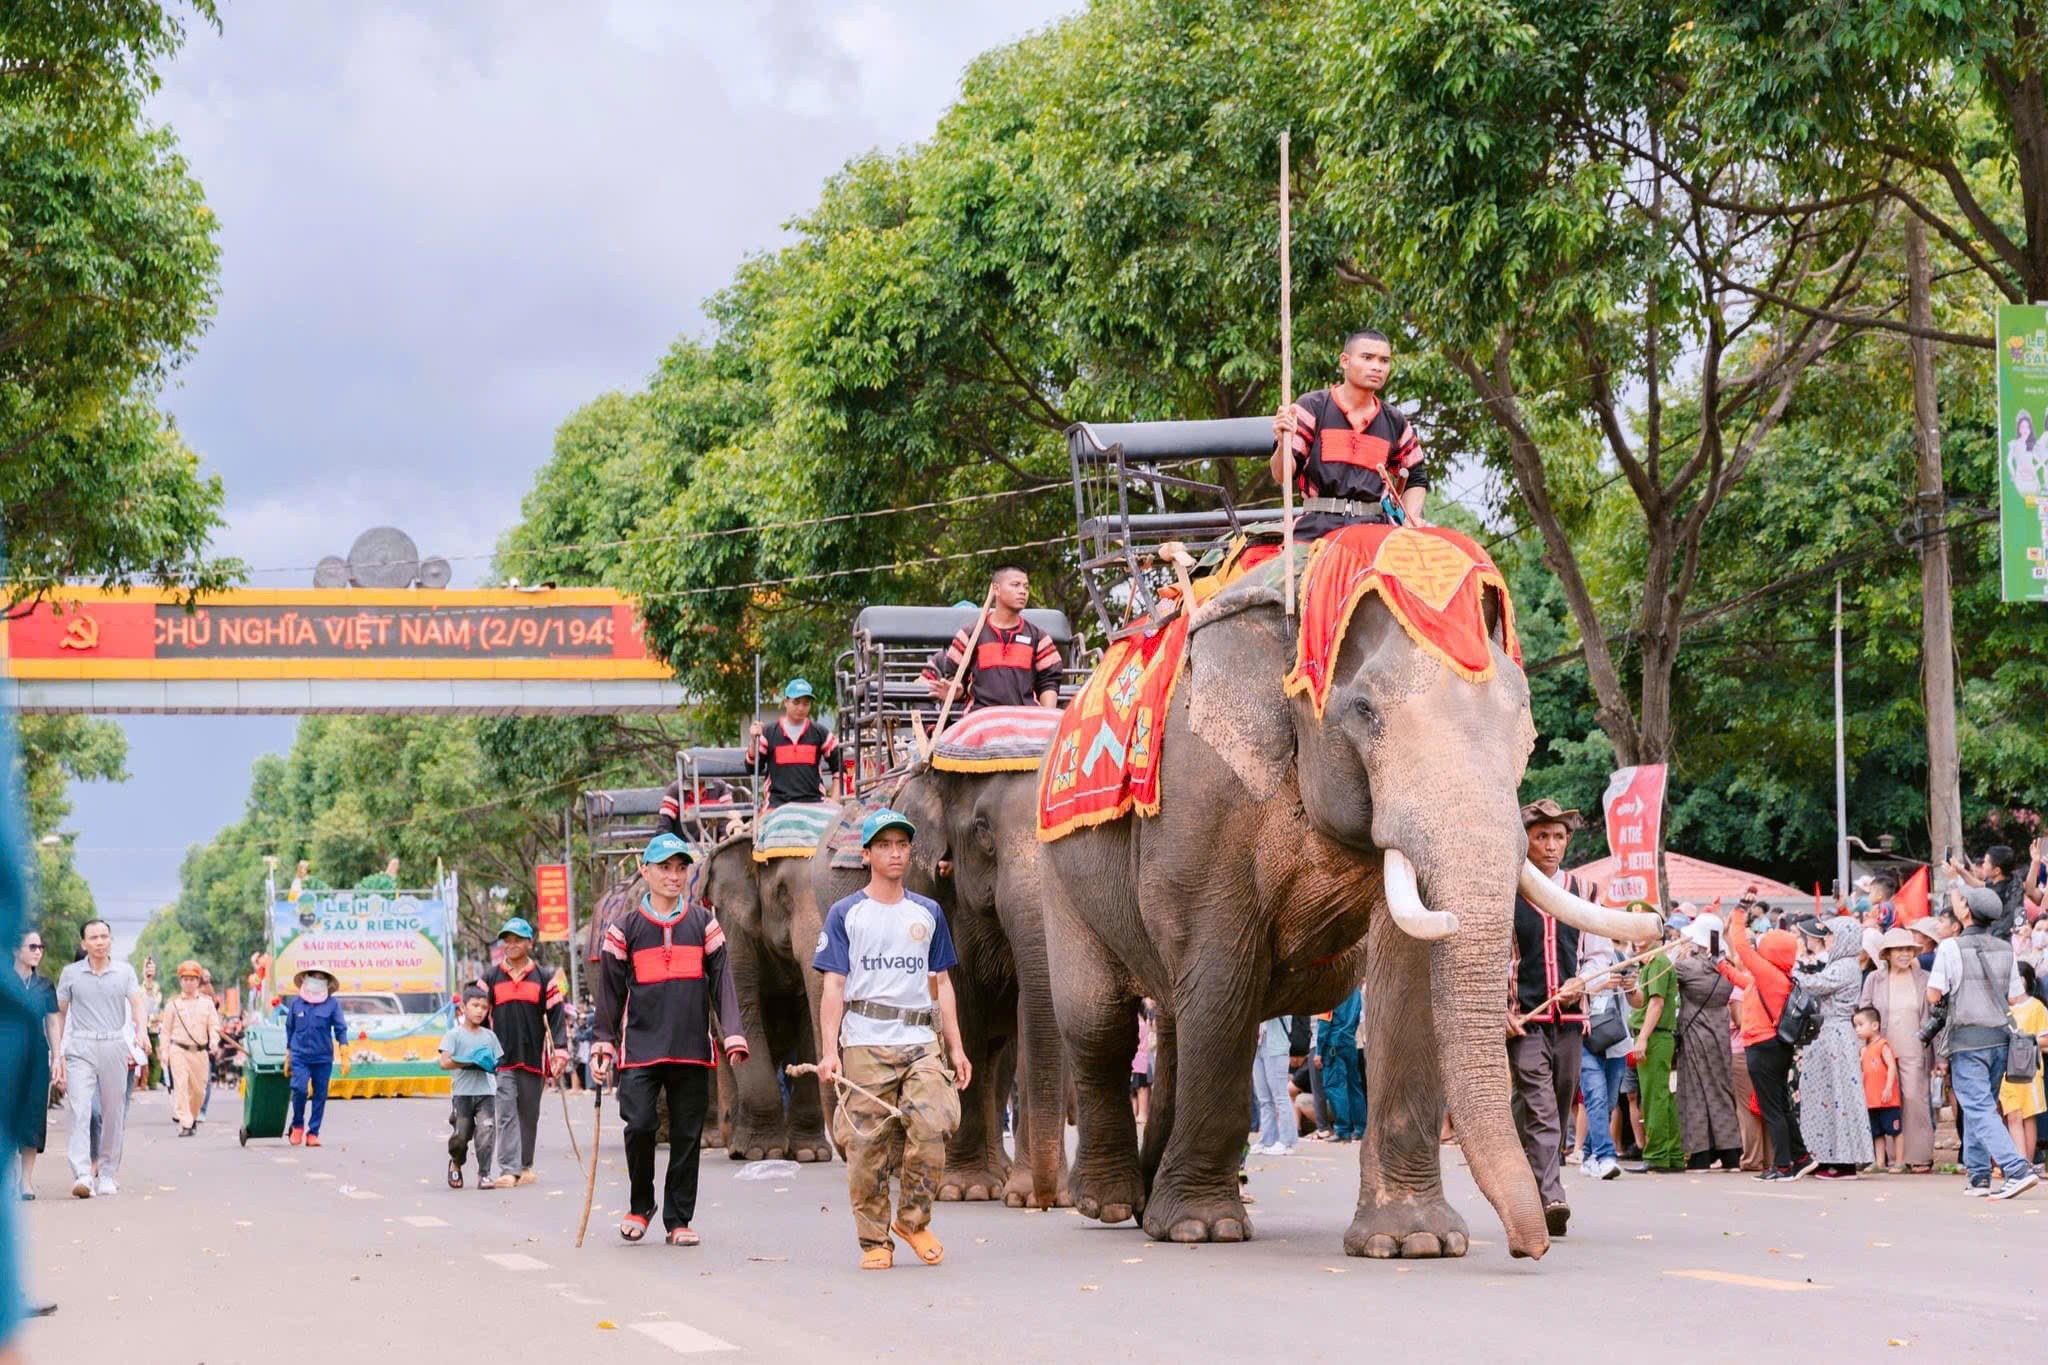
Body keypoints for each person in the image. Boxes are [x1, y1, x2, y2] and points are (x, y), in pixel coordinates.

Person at [813, 808, 969, 1270]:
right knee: (867, 1145)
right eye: (884, 846)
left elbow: (941, 983)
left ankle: (914, 1222)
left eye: (902, 845)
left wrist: (955, 1047)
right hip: (864, 1041)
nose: (895, 853)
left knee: (932, 1126)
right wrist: (829, 1051)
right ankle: (874, 1240)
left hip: (920, 1039)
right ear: (867, 855)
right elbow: (833, 988)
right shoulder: (847, 914)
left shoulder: (928, 912)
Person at [591, 833, 748, 1245]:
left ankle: (679, 1218)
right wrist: (603, 1043)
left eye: (681, 868)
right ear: (645, 871)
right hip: (640, 1048)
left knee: (686, 1134)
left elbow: (723, 983)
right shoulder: (624, 928)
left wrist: (732, 1032)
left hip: (691, 1047)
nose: (673, 876)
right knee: (640, 1124)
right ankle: (640, 1205)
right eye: (664, 867)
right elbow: (609, 995)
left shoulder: (703, 923)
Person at [1506, 798, 1588, 1225]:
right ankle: (1553, 1199)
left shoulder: (1584, 890)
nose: (1551, 846)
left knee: (1556, 1108)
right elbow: (1494, 957)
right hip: (1526, 1021)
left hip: (1571, 1022)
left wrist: (1585, 980)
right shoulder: (1508, 890)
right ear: (1526, 842)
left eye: (1558, 837)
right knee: (1540, 1109)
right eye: (1541, 837)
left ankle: (1533, 1183)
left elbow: (1600, 954)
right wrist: (1502, 1009)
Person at [1927, 885, 2038, 1198]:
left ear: (1966, 913)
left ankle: (2016, 1169)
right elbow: (2016, 997)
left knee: (1976, 1106)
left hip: (1967, 1038)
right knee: (1983, 1106)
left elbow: (1934, 993)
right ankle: (1978, 1176)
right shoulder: (2005, 949)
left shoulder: (1950, 948)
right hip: (2000, 1040)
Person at [1270, 329, 1429, 540]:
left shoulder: (1394, 420)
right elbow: (1281, 475)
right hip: (1316, 530)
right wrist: (1283, 443)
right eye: (1367, 357)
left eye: (1384, 361)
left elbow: (1415, 477)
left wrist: (1411, 518)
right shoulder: (1311, 407)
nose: (1377, 367)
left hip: (1376, 531)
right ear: (1345, 361)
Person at [51, 919, 147, 1198]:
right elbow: (59, 1014)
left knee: (112, 1114)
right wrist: (57, 1054)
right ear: (84, 943)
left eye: (104, 936)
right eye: (93, 937)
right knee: (80, 1110)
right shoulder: (70, 974)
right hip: (81, 1046)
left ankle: (106, 1173)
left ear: (111, 940)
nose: (100, 941)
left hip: (114, 1044)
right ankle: (82, 1174)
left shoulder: (124, 972)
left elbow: (137, 1003)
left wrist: (141, 1032)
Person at [477, 916, 568, 1186]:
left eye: (518, 940)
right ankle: (508, 1169)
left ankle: (525, 1166)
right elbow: (479, 1014)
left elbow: (556, 1018)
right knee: (505, 1113)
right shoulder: (490, 978)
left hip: (533, 1057)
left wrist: (560, 1051)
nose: (512, 945)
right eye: (508, 940)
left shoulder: (545, 978)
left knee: (529, 1114)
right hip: (501, 1059)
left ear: (530, 943)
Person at [1789, 918, 1873, 1179]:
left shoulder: (1846, 966)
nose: (1828, 940)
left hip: (1835, 1034)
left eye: (1832, 936)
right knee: (1828, 1097)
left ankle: (1843, 1161)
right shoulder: (1842, 964)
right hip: (1829, 1034)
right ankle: (1827, 1157)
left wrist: (1791, 970)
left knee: (1838, 1097)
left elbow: (1815, 985)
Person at [921, 566, 1064, 712]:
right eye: (1015, 585)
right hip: (980, 719)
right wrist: (956, 691)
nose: (1023, 591)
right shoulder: (969, 635)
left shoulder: (1039, 637)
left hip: (1025, 721)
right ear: (996, 589)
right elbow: (955, 678)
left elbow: (1049, 681)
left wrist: (1047, 718)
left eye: (1026, 587)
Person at [1858, 925, 1935, 1171]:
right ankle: (1889, 1158)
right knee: (1885, 1101)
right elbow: (1864, 1011)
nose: (1904, 954)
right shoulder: (1874, 979)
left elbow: (1934, 1017)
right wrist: (1864, 1046)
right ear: (1887, 953)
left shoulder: (1924, 978)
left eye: (1908, 949)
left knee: (1914, 1099)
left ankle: (1918, 1156)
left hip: (1915, 1048)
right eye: (1898, 949)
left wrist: (1939, 1056)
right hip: (1881, 1052)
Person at [1672, 913, 1742, 1170]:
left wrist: (1679, 950)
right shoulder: (1727, 967)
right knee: (1721, 1091)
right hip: (1721, 1031)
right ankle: (1731, 1152)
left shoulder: (1688, 967)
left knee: (1694, 1092)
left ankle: (1700, 1152)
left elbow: (1661, 972)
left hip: (1695, 1033)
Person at [1623, 926, 1684, 1175]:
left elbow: (1657, 1003)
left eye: (1641, 934)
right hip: (1656, 1036)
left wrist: (1643, 1039)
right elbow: (1642, 1001)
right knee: (1662, 1096)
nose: (1636, 941)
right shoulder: (1649, 963)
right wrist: (1629, 989)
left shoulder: (1657, 961)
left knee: (1654, 1097)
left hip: (1655, 1037)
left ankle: (1657, 1155)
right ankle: (1673, 1154)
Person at [1575, 926, 1632, 1180]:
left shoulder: (1621, 959)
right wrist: (1599, 984)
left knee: (1608, 1103)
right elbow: (1568, 994)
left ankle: (1588, 1155)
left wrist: (1631, 986)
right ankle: (1605, 1156)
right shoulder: (1575, 959)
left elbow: (1638, 1001)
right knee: (1595, 1098)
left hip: (1616, 1040)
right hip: (1585, 1039)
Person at [438, 984, 502, 1190]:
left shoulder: (490, 1036)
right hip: (462, 1094)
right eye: (475, 1005)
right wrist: (470, 1061)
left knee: (486, 1132)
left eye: (484, 1007)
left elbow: (498, 1063)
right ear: (463, 1008)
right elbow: (444, 1062)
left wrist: (491, 1065)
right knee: (461, 1136)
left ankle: (484, 1174)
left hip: (486, 1093)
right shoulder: (454, 1035)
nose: (479, 1010)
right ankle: (455, 1162)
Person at [747, 679, 844, 808]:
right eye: (796, 702)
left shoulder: (821, 733)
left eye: (806, 703)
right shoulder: (768, 733)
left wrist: (835, 800)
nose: (801, 708)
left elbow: (840, 767)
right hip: (777, 805)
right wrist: (754, 741)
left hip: (814, 803)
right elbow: (752, 768)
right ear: (786, 702)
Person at [12, 933, 57, 1197]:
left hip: (37, 1056)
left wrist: (58, 1055)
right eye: (32, 946)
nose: (38, 951)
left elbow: (52, 1022)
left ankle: (26, 1181)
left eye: (41, 946)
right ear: (16, 950)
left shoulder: (45, 985)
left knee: (32, 1116)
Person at [284, 967, 348, 1147]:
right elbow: (290, 1028)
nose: (317, 980)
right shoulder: (296, 1004)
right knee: (299, 1089)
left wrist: (344, 1049)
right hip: (300, 1056)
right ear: (306, 979)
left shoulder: (332, 1005)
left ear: (327, 982)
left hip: (322, 1058)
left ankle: (313, 1132)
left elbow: (340, 1027)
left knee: (320, 1094)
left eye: (321, 978)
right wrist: (288, 1053)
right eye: (314, 977)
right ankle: (297, 1126)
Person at [157, 961, 220, 1138]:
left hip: (200, 1052)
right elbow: (166, 1031)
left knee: (199, 1091)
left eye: (192, 979)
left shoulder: (207, 1004)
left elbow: (214, 1026)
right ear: (180, 981)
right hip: (178, 1050)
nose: (189, 982)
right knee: (181, 1086)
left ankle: (191, 1117)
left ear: (198, 981)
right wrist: (164, 1052)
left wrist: (214, 1042)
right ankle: (185, 1122)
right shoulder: (173, 1005)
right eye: (185, 979)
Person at [1999, 962, 2048, 1168]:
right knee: (2012, 1115)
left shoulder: (2036, 1006)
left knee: (2029, 1116)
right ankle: (2018, 1164)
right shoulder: (2000, 1007)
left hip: (2029, 1070)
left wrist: (2024, 1042)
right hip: (2005, 1070)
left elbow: (2046, 1040)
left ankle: (2027, 1162)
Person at [1854, 1007, 1902, 1171]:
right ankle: (1880, 1162)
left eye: (1860, 1025)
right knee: (1877, 1132)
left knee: (1895, 1129)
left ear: (1875, 1026)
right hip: (1871, 1099)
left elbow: (1891, 1067)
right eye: (1856, 1026)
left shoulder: (1883, 1045)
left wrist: (1889, 1087)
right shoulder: (1863, 1049)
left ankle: (1900, 1161)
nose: (1857, 1029)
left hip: (1887, 1098)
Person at [1318, 985, 1365, 1143]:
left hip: (1333, 1044)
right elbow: (1358, 1017)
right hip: (1350, 1042)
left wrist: (1319, 1050)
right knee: (1354, 1087)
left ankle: (1342, 1129)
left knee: (1336, 1087)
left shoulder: (1331, 991)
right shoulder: (1356, 992)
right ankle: (1360, 1128)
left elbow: (1324, 1023)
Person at [1251, 1016, 1296, 1156]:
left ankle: (1286, 1141)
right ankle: (1268, 1139)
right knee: (1263, 1099)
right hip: (1258, 1045)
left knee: (1280, 1096)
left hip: (1276, 1045)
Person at [139, 957, 163, 1092]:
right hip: (142, 1026)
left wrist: (155, 1018)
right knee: (143, 1056)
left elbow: (156, 1003)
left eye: (152, 968)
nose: (150, 970)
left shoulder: (157, 987)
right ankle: (143, 1082)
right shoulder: (140, 987)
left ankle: (153, 1081)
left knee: (155, 1056)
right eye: (148, 968)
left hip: (153, 1027)